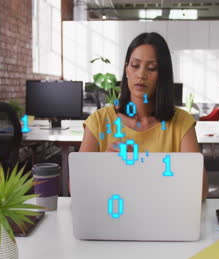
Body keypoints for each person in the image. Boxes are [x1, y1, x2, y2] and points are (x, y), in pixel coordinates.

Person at [79, 32, 208, 199]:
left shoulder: (181, 122)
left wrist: (143, 169)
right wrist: (105, 165)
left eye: (152, 68)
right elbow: (76, 188)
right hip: (112, 216)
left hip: (165, 214)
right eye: (135, 65)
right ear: (126, 69)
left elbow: (200, 192)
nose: (141, 74)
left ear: (162, 75)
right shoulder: (99, 121)